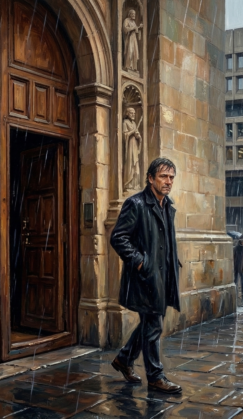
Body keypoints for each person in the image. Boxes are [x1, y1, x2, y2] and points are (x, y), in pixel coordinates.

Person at [109, 157, 182, 393]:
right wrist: (141, 263)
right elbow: (118, 238)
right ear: (150, 178)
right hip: (146, 277)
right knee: (153, 325)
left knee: (150, 323)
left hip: (163, 275)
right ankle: (155, 376)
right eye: (163, 176)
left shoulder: (167, 205)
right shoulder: (136, 204)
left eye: (171, 177)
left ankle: (124, 358)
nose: (168, 181)